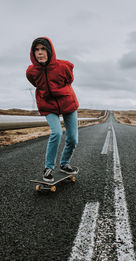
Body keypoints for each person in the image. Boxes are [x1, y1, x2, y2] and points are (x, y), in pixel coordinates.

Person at [26, 37, 79, 182]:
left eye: (43, 49)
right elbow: (35, 83)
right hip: (48, 105)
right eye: (36, 50)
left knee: (73, 139)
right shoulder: (31, 71)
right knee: (56, 133)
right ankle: (49, 168)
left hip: (67, 103)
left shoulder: (64, 66)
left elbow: (69, 80)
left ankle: (64, 164)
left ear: (49, 50)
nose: (40, 52)